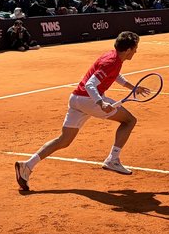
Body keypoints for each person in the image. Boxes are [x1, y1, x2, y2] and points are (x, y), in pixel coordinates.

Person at [16, 31, 145, 190]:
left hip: (76, 99)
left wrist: (133, 88)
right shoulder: (111, 62)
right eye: (135, 48)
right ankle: (113, 159)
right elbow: (90, 85)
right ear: (128, 50)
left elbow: (115, 75)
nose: (136, 51)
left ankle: (26, 166)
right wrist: (101, 103)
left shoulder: (113, 57)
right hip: (89, 100)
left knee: (64, 140)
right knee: (129, 120)